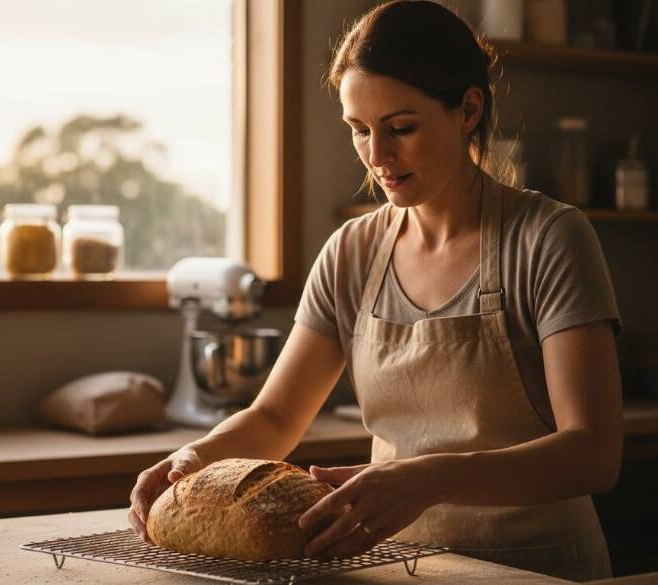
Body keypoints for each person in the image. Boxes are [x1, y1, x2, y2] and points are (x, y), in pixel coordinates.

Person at [129, 1, 623, 581]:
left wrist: (428, 478)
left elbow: (592, 453)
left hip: (536, 568)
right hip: (397, 568)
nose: (377, 157)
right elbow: (276, 415)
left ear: (468, 109)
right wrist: (197, 457)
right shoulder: (352, 252)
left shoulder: (548, 239)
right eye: (359, 130)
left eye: (401, 128)